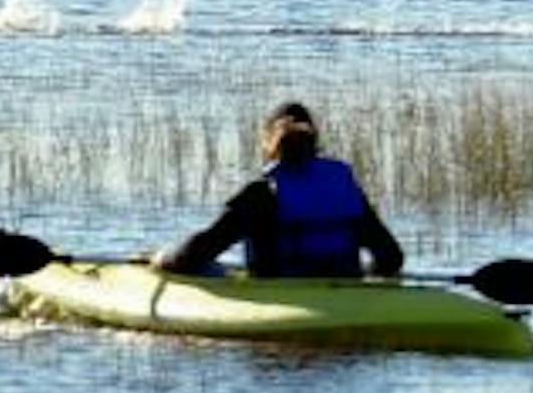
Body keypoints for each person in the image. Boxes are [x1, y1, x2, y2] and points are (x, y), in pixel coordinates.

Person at [152, 102, 404, 278]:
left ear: (270, 142)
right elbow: (391, 258)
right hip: (346, 287)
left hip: (283, 291)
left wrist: (163, 259)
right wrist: (366, 282)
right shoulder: (344, 187)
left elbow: (197, 252)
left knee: (209, 270)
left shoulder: (261, 193)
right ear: (315, 142)